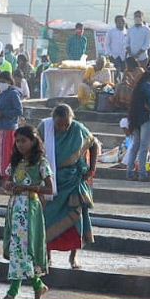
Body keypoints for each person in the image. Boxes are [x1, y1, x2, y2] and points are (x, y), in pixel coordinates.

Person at [38, 105, 98, 270]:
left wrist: (92, 169)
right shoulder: (45, 127)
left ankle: (73, 257)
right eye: (59, 125)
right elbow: (33, 147)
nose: (63, 128)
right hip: (50, 180)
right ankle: (47, 256)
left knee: (76, 219)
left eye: (66, 124)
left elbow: (94, 145)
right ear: (53, 120)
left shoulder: (78, 129)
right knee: (47, 218)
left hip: (73, 180)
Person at [1, 124, 52, 299]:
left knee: (25, 249)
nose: (20, 144)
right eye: (17, 141)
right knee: (17, 248)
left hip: (30, 209)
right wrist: (8, 186)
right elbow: (7, 181)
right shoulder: (16, 162)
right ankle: (38, 286)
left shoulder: (41, 163)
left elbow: (50, 189)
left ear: (33, 141)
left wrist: (28, 188)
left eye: (24, 141)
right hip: (15, 208)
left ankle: (13, 292)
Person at [125, 65, 150, 182]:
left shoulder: (138, 86)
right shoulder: (148, 86)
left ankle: (129, 172)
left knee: (135, 145)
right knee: (144, 147)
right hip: (146, 118)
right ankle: (142, 174)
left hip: (135, 119)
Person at [0, 71, 23, 179]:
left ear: (9, 81)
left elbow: (19, 110)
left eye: (3, 82)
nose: (0, 84)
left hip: (8, 128)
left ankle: (6, 182)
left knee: (6, 156)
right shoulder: (1, 93)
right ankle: (3, 181)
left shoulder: (13, 93)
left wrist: (3, 114)